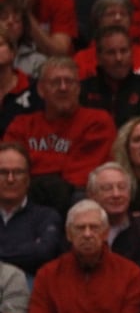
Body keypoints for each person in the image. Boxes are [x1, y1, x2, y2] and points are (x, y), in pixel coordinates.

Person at [27, 198, 140, 313]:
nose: (87, 234)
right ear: (69, 234)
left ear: (105, 233)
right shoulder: (47, 274)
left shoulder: (130, 273)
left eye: (94, 227)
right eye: (80, 228)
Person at [5, 57, 117, 211]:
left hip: (74, 204)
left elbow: (79, 178)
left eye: (69, 82)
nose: (63, 88)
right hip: (24, 202)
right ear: (41, 90)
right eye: (55, 82)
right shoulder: (22, 124)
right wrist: (58, 166)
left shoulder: (97, 121)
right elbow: (8, 168)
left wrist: (34, 165)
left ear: (78, 88)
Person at [86, 161, 140, 281]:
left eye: (122, 187)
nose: (116, 194)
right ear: (92, 195)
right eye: (107, 188)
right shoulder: (81, 230)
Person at [78, 22, 140, 127]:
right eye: (111, 52)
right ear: (99, 58)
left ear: (132, 53)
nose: (119, 58)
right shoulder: (83, 89)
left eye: (124, 51)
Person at [0, 140, 61, 276]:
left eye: (18, 172)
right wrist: (27, 249)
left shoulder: (46, 217)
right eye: (3, 172)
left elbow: (43, 253)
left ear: (28, 179)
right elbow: (34, 252)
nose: (10, 179)